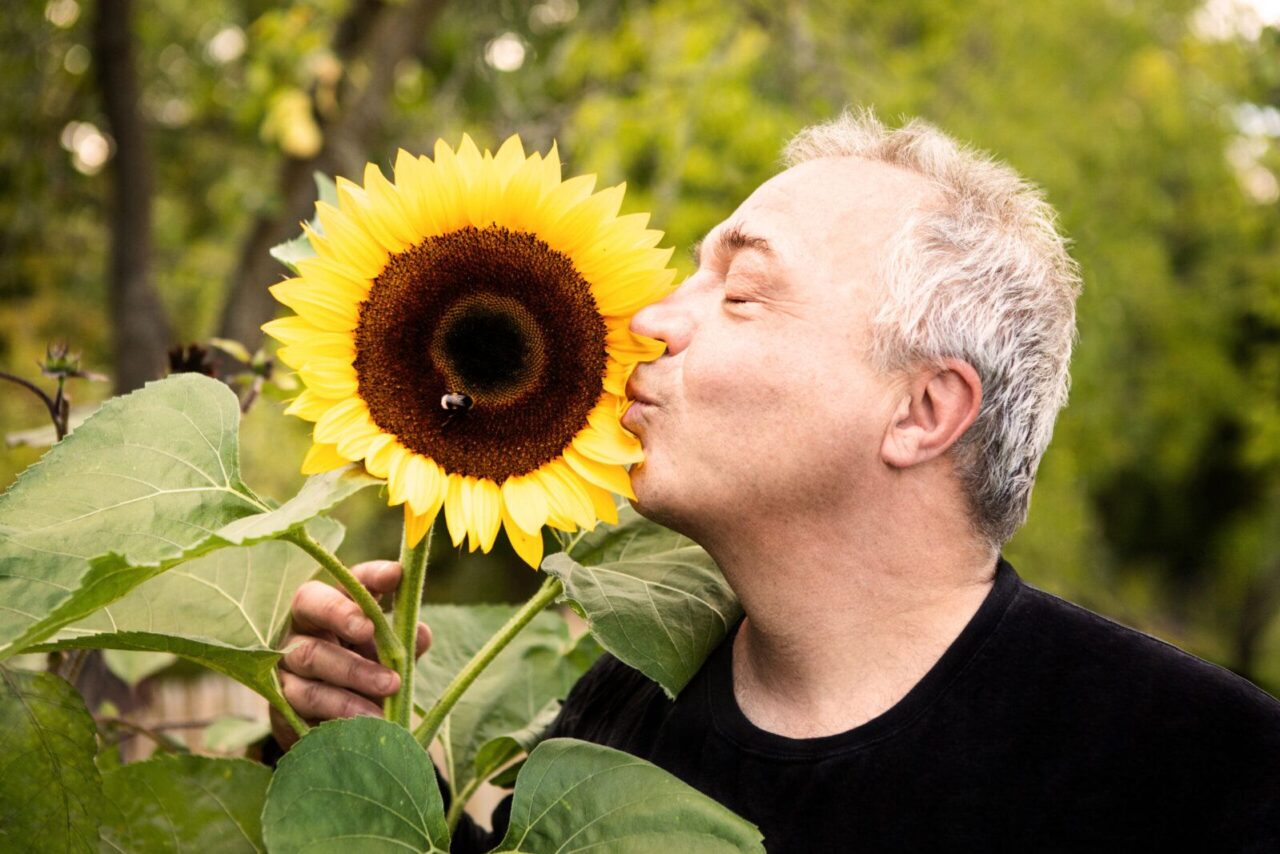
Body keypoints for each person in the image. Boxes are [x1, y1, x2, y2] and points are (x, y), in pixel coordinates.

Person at [269, 110, 1280, 851]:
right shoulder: (632, 698)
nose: (651, 319)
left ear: (923, 411)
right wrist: (383, 778)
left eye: (742, 292)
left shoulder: (1192, 767)